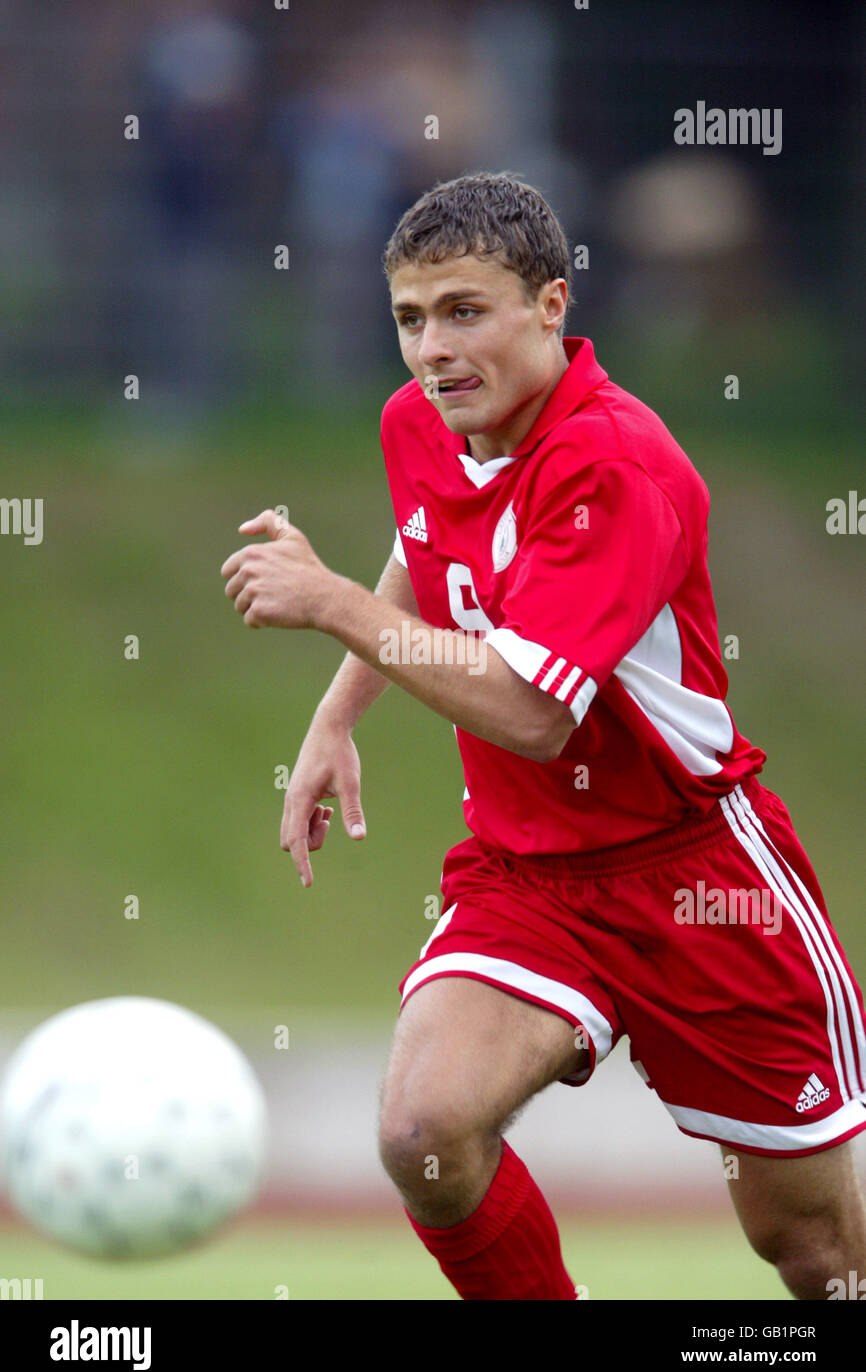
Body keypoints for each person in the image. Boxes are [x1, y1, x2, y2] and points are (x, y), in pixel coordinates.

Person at [221, 171, 866, 1301]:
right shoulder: (419, 421)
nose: (432, 349)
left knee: (811, 1252)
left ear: (551, 307)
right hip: (528, 876)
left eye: (464, 311)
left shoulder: (614, 464)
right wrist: (335, 713)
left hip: (699, 881)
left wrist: (326, 602)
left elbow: (530, 711)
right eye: (410, 320)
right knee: (426, 1128)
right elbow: (426, 556)